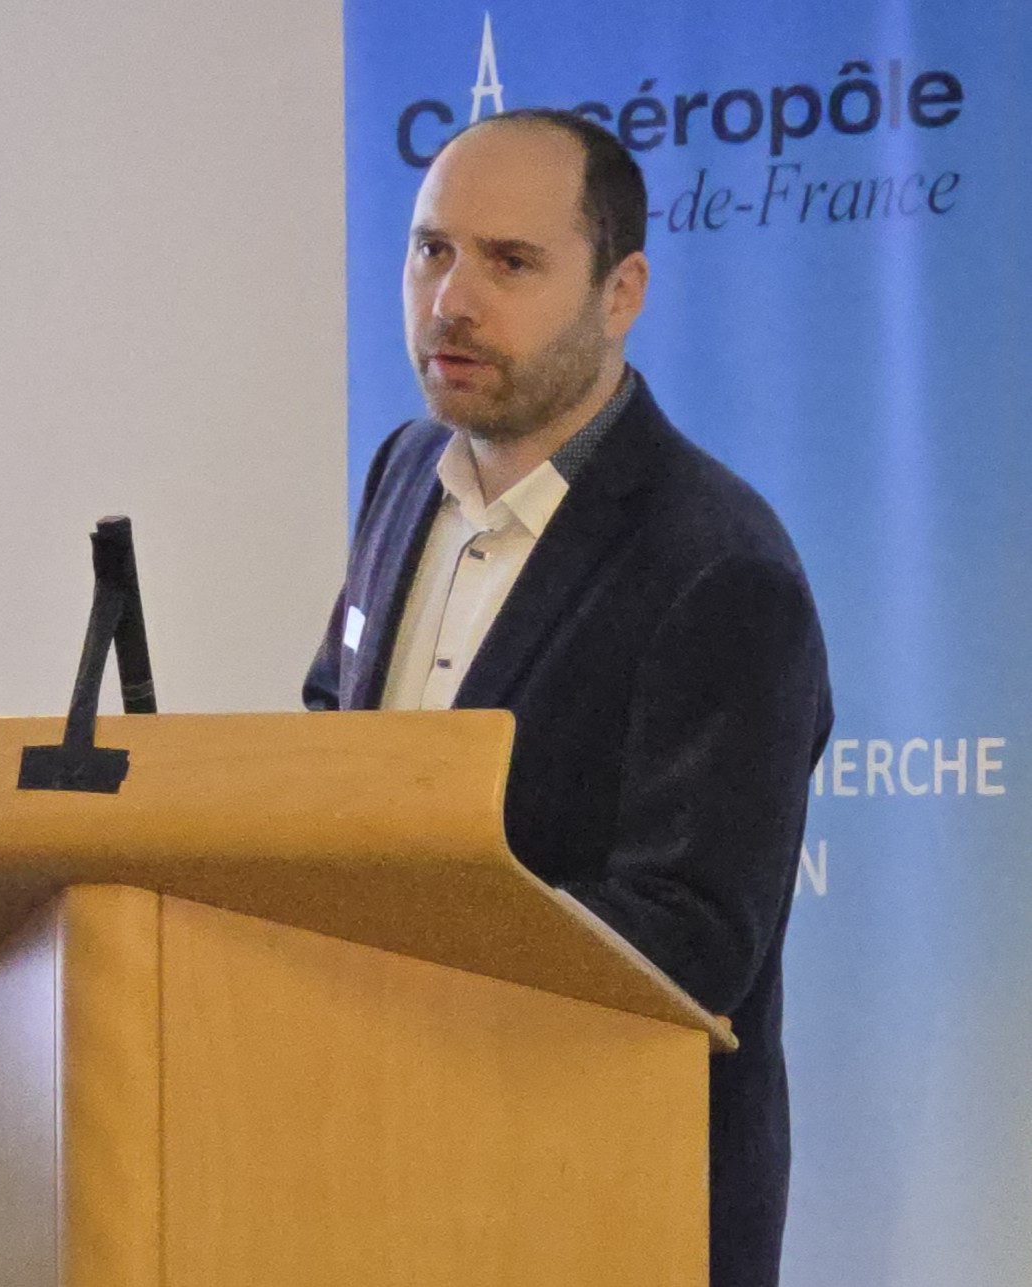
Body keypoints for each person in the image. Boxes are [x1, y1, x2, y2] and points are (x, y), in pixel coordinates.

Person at [304, 107, 833, 1287]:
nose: (451, 299)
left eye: (510, 262)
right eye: (432, 249)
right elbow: (336, 726)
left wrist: (405, 949)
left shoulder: (719, 565)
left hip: (608, 1200)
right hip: (376, 1166)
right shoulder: (404, 474)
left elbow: (693, 939)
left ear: (620, 292)